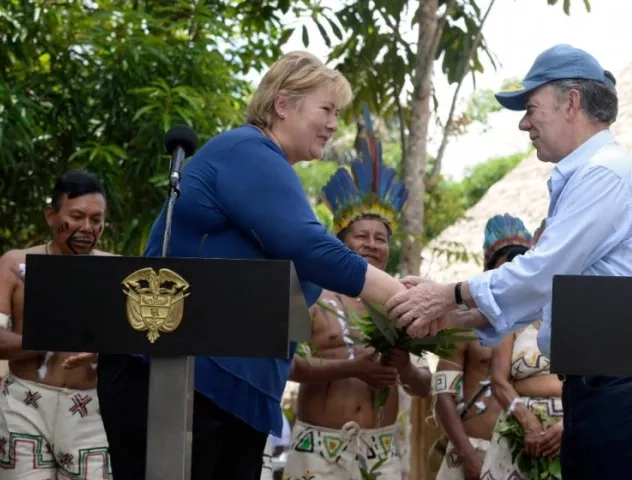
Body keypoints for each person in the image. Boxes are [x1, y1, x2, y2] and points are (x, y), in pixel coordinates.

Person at [95, 51, 406, 480]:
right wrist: (407, 300)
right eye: (327, 109)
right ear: (283, 105)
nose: (335, 124)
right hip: (182, 378)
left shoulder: (276, 175)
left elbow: (306, 279)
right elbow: (309, 246)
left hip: (236, 392)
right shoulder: (246, 149)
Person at [385, 44, 632, 479]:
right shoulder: (591, 174)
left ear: (571, 102)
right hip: (601, 388)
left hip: (620, 388)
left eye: (531, 108)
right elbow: (554, 295)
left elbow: (542, 274)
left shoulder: (605, 173)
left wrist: (447, 294)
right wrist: (452, 316)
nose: (524, 123)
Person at [283, 116, 430, 479]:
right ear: (340, 242)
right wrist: (352, 367)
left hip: (381, 451)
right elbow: (287, 366)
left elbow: (424, 385)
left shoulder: (401, 302)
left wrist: (406, 368)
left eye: (380, 238)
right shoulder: (312, 294)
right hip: (319, 448)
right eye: (361, 236)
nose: (371, 245)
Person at [0, 170, 113, 478]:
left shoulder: (112, 271)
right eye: (76, 217)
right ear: (51, 215)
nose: (87, 228)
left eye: (96, 219)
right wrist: (49, 336)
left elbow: (131, 346)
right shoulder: (14, 264)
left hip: (90, 412)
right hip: (25, 407)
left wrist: (104, 354)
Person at [433, 214, 531, 480]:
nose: (511, 277)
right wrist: (468, 455)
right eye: (504, 268)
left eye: (519, 267)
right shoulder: (466, 323)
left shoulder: (539, 327)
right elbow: (443, 396)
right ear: (488, 271)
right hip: (473, 449)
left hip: (523, 455)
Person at [476, 216, 563, 478]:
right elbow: (499, 380)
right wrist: (528, 423)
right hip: (519, 431)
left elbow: (599, 382)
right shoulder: (515, 314)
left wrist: (568, 424)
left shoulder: (589, 316)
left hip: (572, 433)